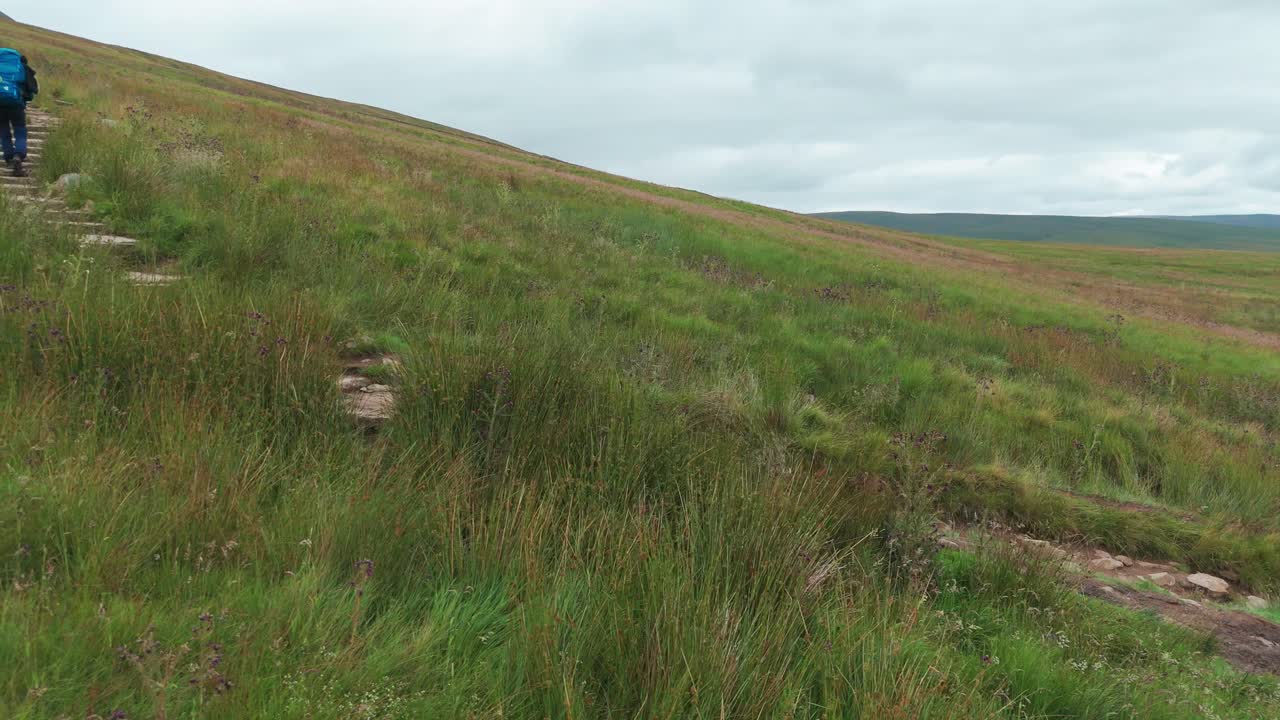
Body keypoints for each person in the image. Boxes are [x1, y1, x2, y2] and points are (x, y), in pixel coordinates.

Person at [0, 49, 37, 177]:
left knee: (4, 131)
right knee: (20, 130)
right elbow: (31, 90)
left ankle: (9, 156)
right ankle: (18, 155)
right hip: (16, 105)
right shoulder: (21, 68)